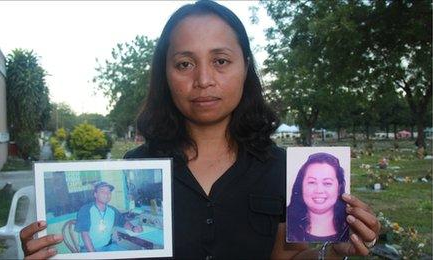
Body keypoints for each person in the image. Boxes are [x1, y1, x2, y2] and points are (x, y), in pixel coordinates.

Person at [20, 1, 380, 259]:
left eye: (220, 61)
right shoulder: (137, 165)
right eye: (184, 63)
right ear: (166, 73)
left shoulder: (285, 170)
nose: (203, 80)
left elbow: (290, 256)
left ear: (245, 67)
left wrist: (335, 254)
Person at [287, 153, 349, 242]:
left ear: (339, 188)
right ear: (301, 186)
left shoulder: (351, 224)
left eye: (327, 183)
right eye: (312, 182)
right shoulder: (285, 224)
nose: (319, 190)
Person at [74, 181, 143, 252]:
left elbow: (123, 222)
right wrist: (93, 254)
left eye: (109, 192)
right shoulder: (86, 210)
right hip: (89, 249)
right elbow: (85, 235)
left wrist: (133, 228)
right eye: (102, 191)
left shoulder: (112, 210)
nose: (107, 194)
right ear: (95, 194)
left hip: (109, 246)